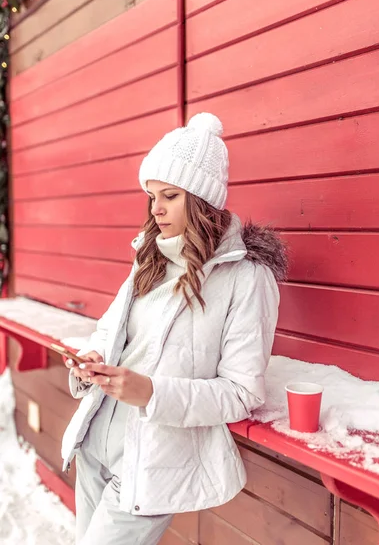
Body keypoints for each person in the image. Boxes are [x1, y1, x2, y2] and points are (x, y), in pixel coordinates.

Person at [62, 112, 287, 545]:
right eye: (151, 196)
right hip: (93, 445)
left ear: (201, 200)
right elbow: (109, 334)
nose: (155, 209)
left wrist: (151, 393)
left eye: (170, 195)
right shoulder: (149, 259)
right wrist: (91, 360)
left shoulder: (246, 278)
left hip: (149, 467)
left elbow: (242, 392)